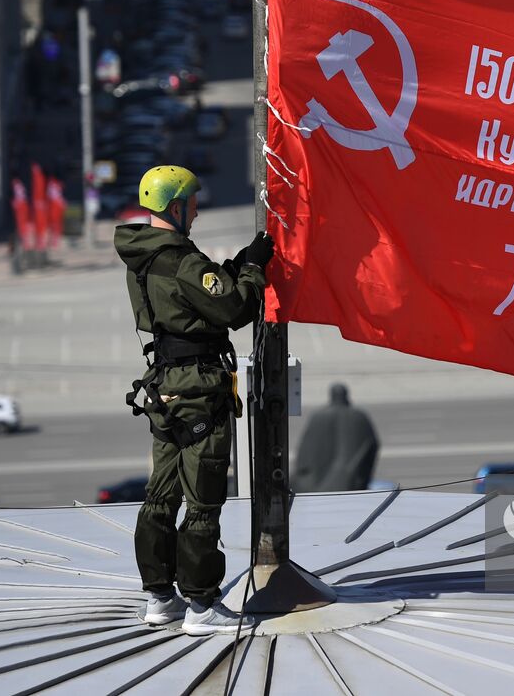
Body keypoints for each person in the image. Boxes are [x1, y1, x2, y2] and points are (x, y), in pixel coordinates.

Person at [115, 165, 274, 636]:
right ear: (176, 206)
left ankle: (159, 596)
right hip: (199, 386)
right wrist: (252, 268)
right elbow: (234, 308)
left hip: (164, 386)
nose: (198, 210)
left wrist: (229, 269)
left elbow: (192, 301)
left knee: (160, 496)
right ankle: (203, 606)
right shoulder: (182, 259)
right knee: (203, 497)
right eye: (193, 203)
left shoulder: (144, 257)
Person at [293, 383, 380, 492]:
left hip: (319, 484)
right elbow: (371, 445)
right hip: (350, 481)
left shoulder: (319, 416)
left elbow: (304, 453)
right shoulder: (359, 416)